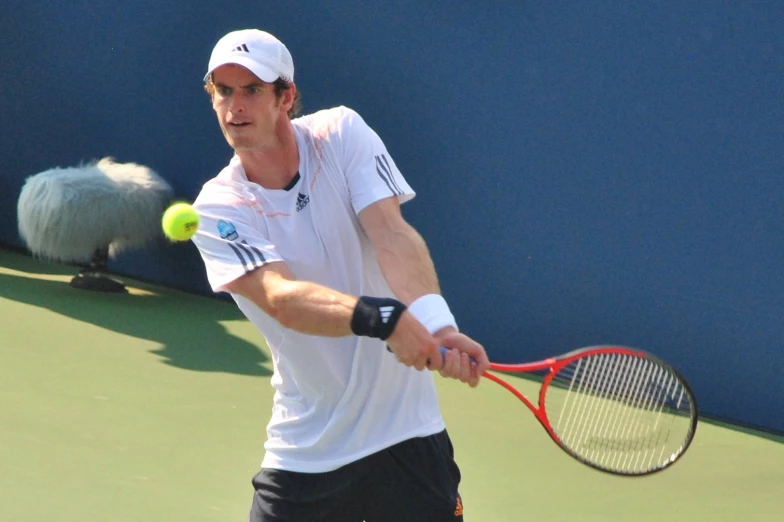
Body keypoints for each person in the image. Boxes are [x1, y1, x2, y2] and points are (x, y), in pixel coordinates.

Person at [190, 28, 491, 522]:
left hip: (408, 435)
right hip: (309, 450)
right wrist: (384, 319)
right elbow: (280, 298)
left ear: (285, 97)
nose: (234, 106)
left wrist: (437, 324)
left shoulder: (340, 134)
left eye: (251, 90)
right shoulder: (218, 208)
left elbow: (391, 234)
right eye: (223, 90)